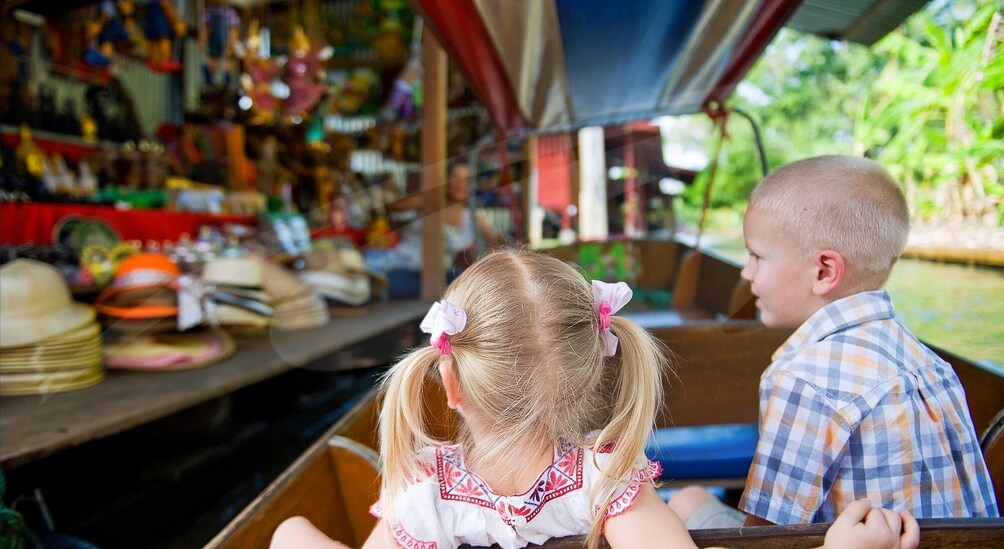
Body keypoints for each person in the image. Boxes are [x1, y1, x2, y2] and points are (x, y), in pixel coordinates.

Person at [271, 249, 919, 549]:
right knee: (698, 503)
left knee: (290, 531)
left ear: (451, 383)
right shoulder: (607, 482)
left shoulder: (423, 489)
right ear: (591, 375)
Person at [669, 155, 999, 529]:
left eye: (757, 256)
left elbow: (768, 535)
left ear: (824, 271)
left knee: (684, 499)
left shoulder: (802, 378)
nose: (746, 272)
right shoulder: (930, 364)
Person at [363, 160, 506, 298]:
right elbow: (392, 207)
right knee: (401, 284)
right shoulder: (429, 200)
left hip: (437, 277)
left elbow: (496, 238)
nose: (461, 184)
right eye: (456, 178)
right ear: (446, 180)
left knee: (465, 284)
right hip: (403, 269)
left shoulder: (472, 217)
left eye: (467, 180)